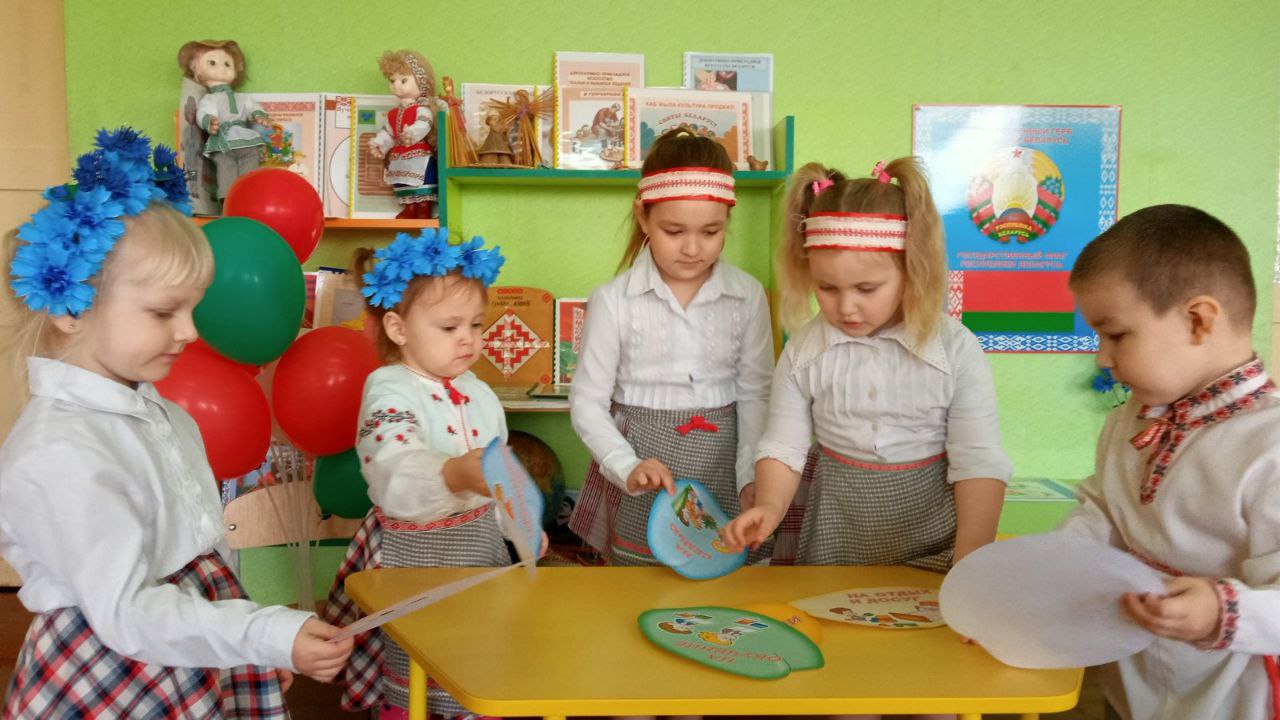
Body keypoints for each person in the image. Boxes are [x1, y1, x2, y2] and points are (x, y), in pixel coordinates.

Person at [0, 127, 351, 719]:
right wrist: (260, 633)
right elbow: (128, 612)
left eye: (193, 308)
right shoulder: (58, 452)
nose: (189, 332)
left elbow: (202, 541)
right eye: (164, 312)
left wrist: (243, 644)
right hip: (116, 672)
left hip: (185, 643)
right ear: (71, 308)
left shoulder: (158, 411)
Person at [1059, 204, 1280, 720]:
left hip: (1231, 700)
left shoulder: (1269, 446)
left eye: (1116, 334)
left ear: (1198, 320)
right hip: (1131, 686)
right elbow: (1105, 510)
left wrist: (1219, 611)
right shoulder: (1130, 420)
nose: (1102, 358)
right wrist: (1058, 561)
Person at [569, 128, 774, 567]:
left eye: (711, 231)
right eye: (674, 230)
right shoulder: (613, 300)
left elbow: (757, 393)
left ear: (727, 221)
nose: (693, 248)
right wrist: (626, 465)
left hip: (725, 459)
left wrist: (750, 476)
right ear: (643, 217)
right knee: (644, 579)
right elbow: (587, 401)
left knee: (726, 570)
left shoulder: (748, 295)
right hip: (643, 460)